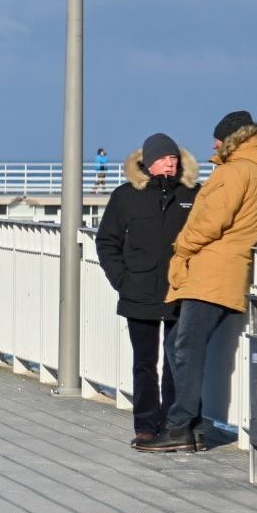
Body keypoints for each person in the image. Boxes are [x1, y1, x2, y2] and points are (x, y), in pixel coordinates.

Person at [137, 111, 257, 453]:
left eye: (217, 140)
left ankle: (180, 427)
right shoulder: (256, 171)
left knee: (184, 346)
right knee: (179, 345)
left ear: (232, 139)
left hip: (212, 271)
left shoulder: (235, 171)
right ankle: (194, 427)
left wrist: (182, 246)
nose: (213, 146)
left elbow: (212, 220)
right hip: (225, 270)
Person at [95, 133, 199, 445]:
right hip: (138, 291)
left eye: (174, 157)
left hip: (179, 291)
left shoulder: (193, 194)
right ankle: (145, 425)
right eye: (164, 158)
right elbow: (107, 241)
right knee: (144, 363)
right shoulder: (126, 195)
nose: (171, 163)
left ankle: (172, 424)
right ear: (149, 162)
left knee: (176, 362)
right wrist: (122, 280)